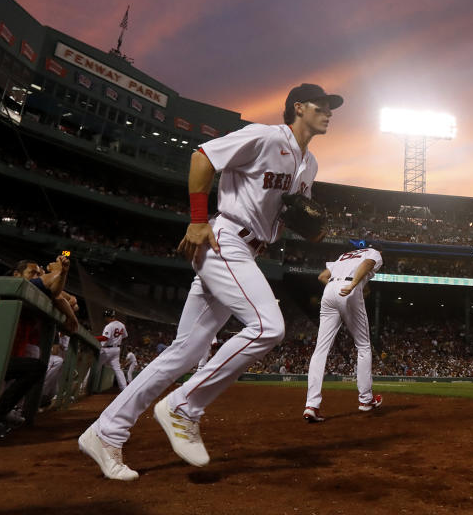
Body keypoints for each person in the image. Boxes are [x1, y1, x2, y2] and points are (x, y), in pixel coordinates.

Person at [80, 83, 342, 481]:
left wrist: (312, 230)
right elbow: (202, 157)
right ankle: (185, 407)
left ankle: (105, 432)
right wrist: (199, 220)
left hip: (247, 250)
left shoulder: (311, 164)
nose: (329, 112)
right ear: (298, 107)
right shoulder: (266, 136)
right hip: (226, 240)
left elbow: (295, 216)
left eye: (331, 107)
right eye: (322, 106)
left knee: (184, 353)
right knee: (268, 327)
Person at [0, 257, 78, 431]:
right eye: (32, 273)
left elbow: (70, 300)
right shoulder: (11, 287)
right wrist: (57, 272)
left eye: (39, 273)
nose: (37, 276)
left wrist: (60, 276)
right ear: (17, 275)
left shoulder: (30, 298)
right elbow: (52, 288)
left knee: (34, 366)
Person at [303, 242, 384, 423]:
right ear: (379, 248)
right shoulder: (373, 253)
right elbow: (368, 264)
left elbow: (322, 276)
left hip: (329, 290)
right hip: (349, 289)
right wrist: (354, 284)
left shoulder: (344, 256)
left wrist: (338, 286)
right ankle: (366, 400)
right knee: (363, 346)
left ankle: (311, 405)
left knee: (320, 350)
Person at [97, 310, 128, 391]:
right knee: (118, 369)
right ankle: (124, 389)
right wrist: (117, 341)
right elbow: (125, 336)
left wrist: (93, 337)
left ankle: (83, 386)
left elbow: (105, 338)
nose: (105, 319)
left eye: (105, 317)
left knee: (96, 366)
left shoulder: (109, 326)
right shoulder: (122, 325)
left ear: (108, 317)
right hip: (117, 349)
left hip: (107, 349)